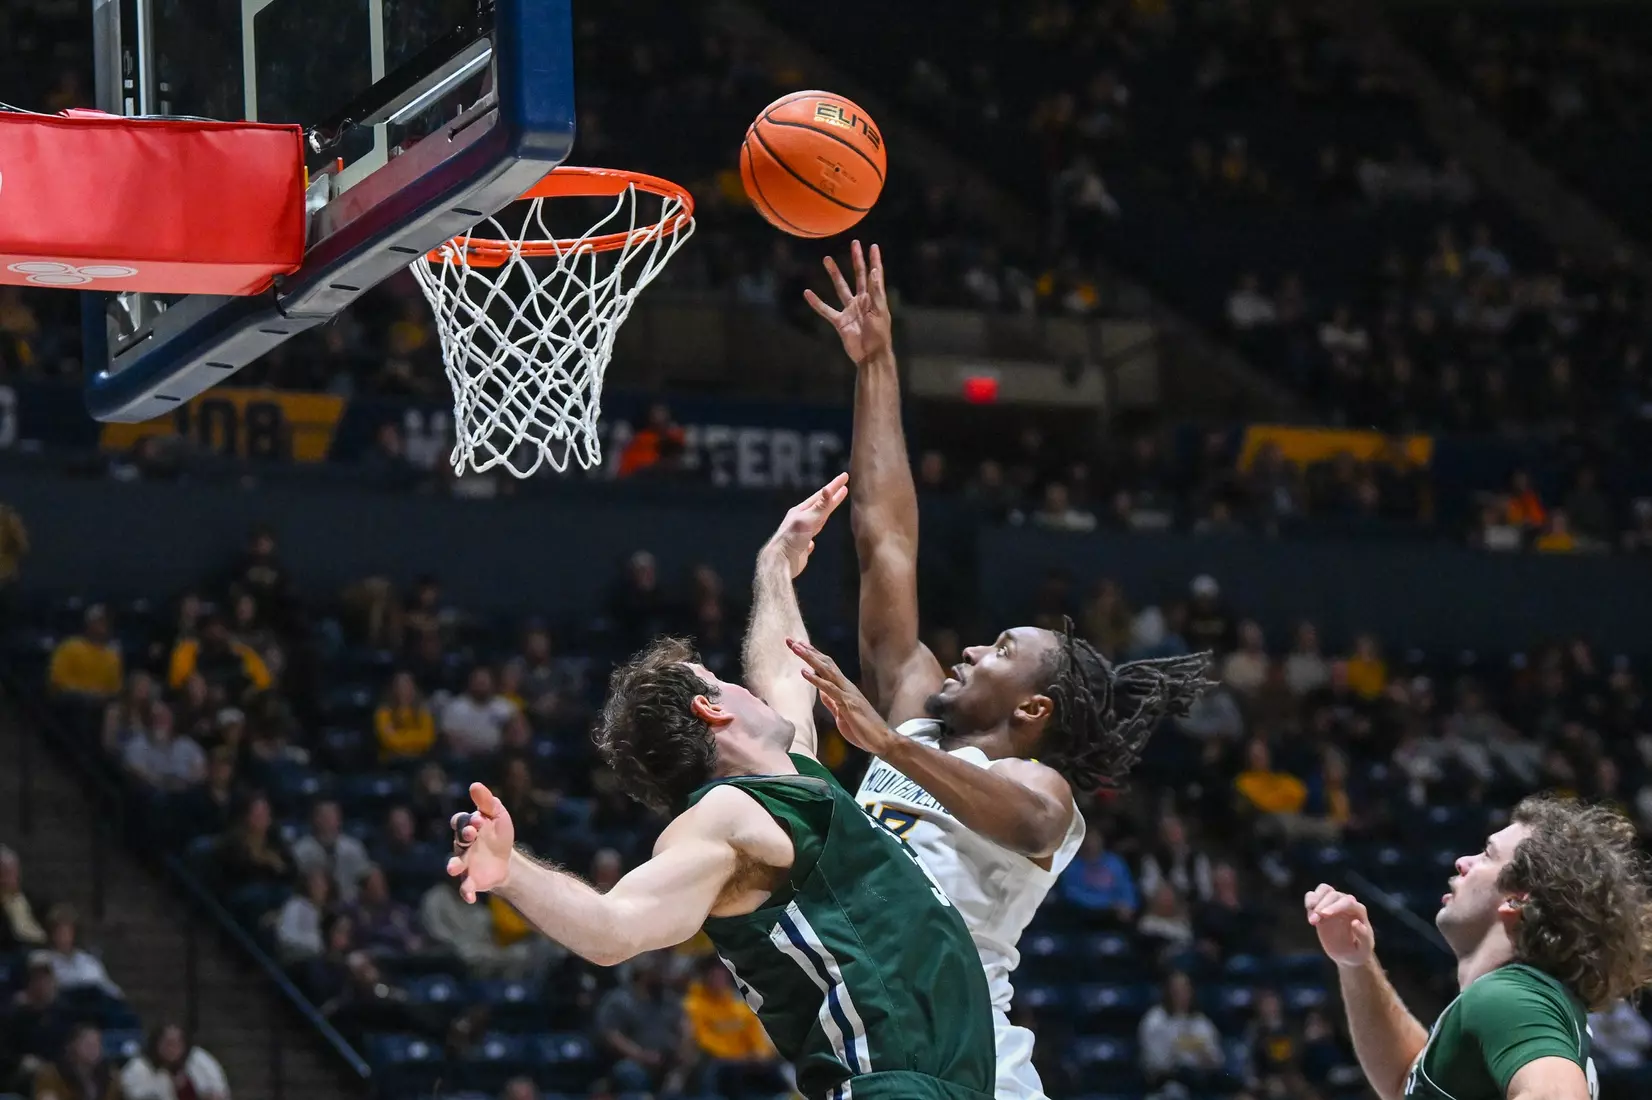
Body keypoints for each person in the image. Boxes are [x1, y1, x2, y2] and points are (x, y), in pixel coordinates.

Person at [806, 241, 1213, 1100]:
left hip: (975, 1064)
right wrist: (876, 363)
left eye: (997, 650)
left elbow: (1029, 823)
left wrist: (887, 743)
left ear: (1033, 707)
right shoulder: (917, 711)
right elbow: (887, 539)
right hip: (878, 1049)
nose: (966, 651)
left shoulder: (1040, 787)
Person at [447, 475, 998, 1100]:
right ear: (713, 711)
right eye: (718, 677)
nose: (747, 686)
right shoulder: (724, 818)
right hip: (890, 1086)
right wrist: (511, 871)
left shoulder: (790, 776)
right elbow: (614, 926)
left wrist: (776, 565)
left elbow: (785, 668)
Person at [1305, 796, 1652, 1100]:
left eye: (1487, 854)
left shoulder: (1508, 998)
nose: (1463, 862)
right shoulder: (1517, 998)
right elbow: (1406, 1082)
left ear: (1518, 900)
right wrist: (1356, 962)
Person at [117, 1023, 229, 1100]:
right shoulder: (138, 1067)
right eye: (168, 1043)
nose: (173, 1049)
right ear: (157, 1044)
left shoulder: (197, 1062)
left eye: (178, 1044)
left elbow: (218, 1092)